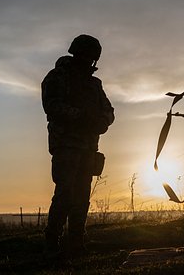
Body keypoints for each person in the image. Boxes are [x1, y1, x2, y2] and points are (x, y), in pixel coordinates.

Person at [41, 34, 114, 257]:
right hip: (67, 145)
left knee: (82, 196)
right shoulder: (58, 77)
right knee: (65, 194)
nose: (89, 60)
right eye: (86, 55)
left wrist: (101, 122)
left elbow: (108, 111)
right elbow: (52, 106)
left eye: (92, 57)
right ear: (77, 53)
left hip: (88, 147)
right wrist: (80, 117)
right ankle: (52, 242)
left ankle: (76, 242)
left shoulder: (94, 84)